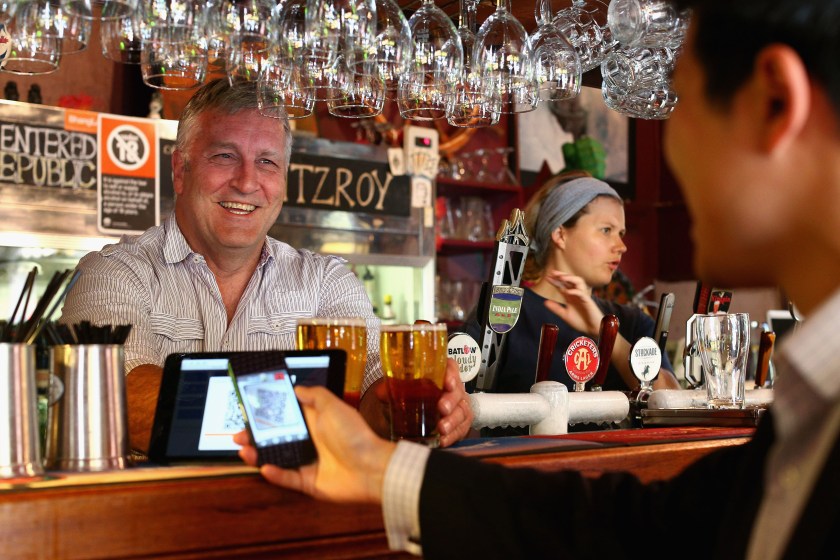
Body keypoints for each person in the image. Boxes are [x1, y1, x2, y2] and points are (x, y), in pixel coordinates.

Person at [235, 0, 840, 557]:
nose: (674, 144)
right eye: (605, 229)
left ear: (774, 104)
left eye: (680, 101)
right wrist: (378, 467)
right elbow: (637, 531)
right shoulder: (810, 412)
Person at [59, 78, 473, 452]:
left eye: (267, 162)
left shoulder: (326, 282)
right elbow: (122, 401)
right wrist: (311, 412)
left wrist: (423, 400)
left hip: (293, 523)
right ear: (180, 170)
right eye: (224, 156)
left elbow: (369, 406)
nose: (246, 182)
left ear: (284, 179)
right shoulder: (112, 274)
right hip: (157, 525)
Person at [466, 171, 680, 394]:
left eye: (622, 233)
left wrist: (607, 333)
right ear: (560, 234)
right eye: (606, 230)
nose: (621, 246)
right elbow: (464, 398)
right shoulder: (505, 309)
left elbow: (672, 401)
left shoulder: (633, 323)